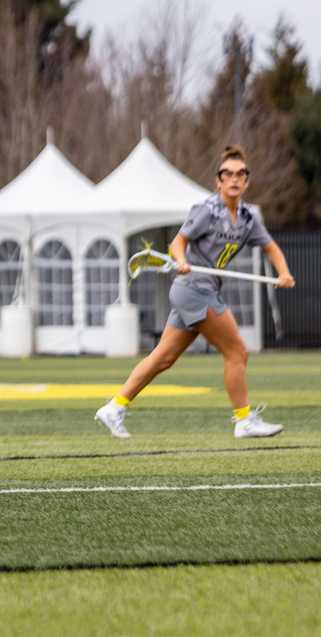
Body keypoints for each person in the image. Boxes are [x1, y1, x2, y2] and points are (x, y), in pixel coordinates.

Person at [95, 145, 295, 439]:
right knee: (237, 351)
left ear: (247, 181)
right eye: (227, 174)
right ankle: (243, 420)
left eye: (240, 174)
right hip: (194, 289)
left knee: (163, 358)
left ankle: (114, 407)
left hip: (197, 291)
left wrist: (284, 272)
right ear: (218, 181)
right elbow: (178, 242)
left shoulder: (249, 219)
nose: (234, 179)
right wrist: (182, 260)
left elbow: (270, 247)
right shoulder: (206, 211)